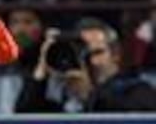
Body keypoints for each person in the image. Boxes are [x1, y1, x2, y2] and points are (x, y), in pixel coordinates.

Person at [15, 17, 156, 112]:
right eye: (81, 55)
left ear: (115, 54)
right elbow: (23, 118)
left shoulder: (136, 89)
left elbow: (140, 123)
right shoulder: (62, 97)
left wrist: (89, 95)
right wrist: (42, 67)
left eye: (95, 53)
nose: (89, 63)